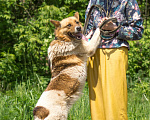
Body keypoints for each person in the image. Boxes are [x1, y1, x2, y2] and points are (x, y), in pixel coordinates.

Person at [85, 0, 144, 120]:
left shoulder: (128, 1)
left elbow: (138, 31)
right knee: (97, 105)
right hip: (93, 53)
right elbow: (87, 31)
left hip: (116, 52)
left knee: (115, 103)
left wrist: (116, 28)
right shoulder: (94, 1)